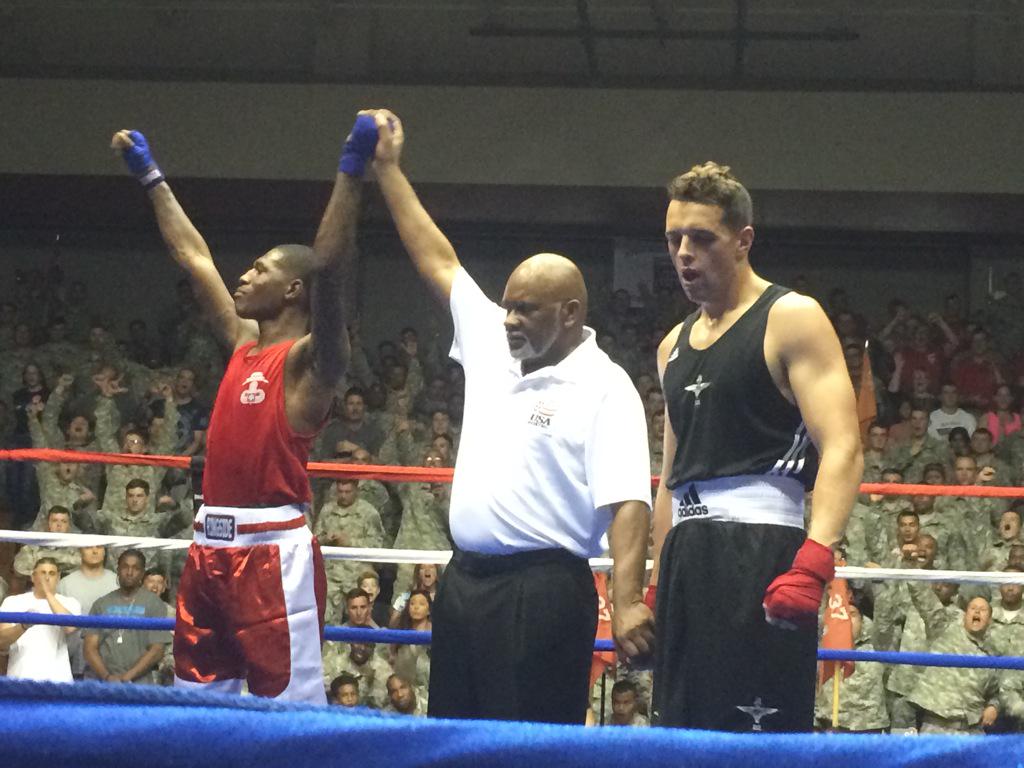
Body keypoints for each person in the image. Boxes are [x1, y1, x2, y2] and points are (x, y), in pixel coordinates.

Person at [370, 109, 654, 724]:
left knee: (528, 744)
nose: (510, 320)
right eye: (507, 307)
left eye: (526, 310)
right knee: (454, 733)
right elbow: (438, 261)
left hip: (545, 589)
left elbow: (629, 502)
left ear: (571, 313)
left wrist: (628, 599)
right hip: (465, 582)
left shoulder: (606, 387)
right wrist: (389, 170)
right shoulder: (494, 343)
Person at [110, 111, 377, 702]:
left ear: (292, 291)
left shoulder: (315, 362)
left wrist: (351, 172)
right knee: (196, 706)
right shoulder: (243, 342)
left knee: (284, 718)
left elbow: (330, 267)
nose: (242, 274)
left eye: (260, 268)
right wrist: (151, 177)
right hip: (209, 545)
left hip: (270, 557)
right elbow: (193, 257)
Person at [646, 162, 862, 732]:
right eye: (674, 240)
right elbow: (672, 475)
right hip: (688, 558)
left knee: (757, 739)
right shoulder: (671, 346)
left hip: (763, 553)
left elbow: (843, 445)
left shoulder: (790, 317)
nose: (684, 253)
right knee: (676, 731)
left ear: (742, 241)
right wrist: (655, 582)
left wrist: (815, 560)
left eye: (701, 239)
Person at [84, 549, 167, 685]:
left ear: (142, 573)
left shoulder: (154, 603)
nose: (129, 572)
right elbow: (89, 648)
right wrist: (107, 677)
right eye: (125, 567)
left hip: (141, 684)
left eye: (135, 568)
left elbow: (157, 649)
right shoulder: (101, 603)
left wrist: (127, 677)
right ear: (117, 570)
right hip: (103, 683)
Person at [0, 557, 81, 682]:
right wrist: (23, 626)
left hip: (58, 681)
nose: (47, 578)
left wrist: (48, 593)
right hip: (20, 679)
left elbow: (70, 627)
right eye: (42, 573)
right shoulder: (12, 602)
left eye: (51, 573)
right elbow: (1, 642)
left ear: (58, 578)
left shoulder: (70, 602)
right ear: (33, 577)